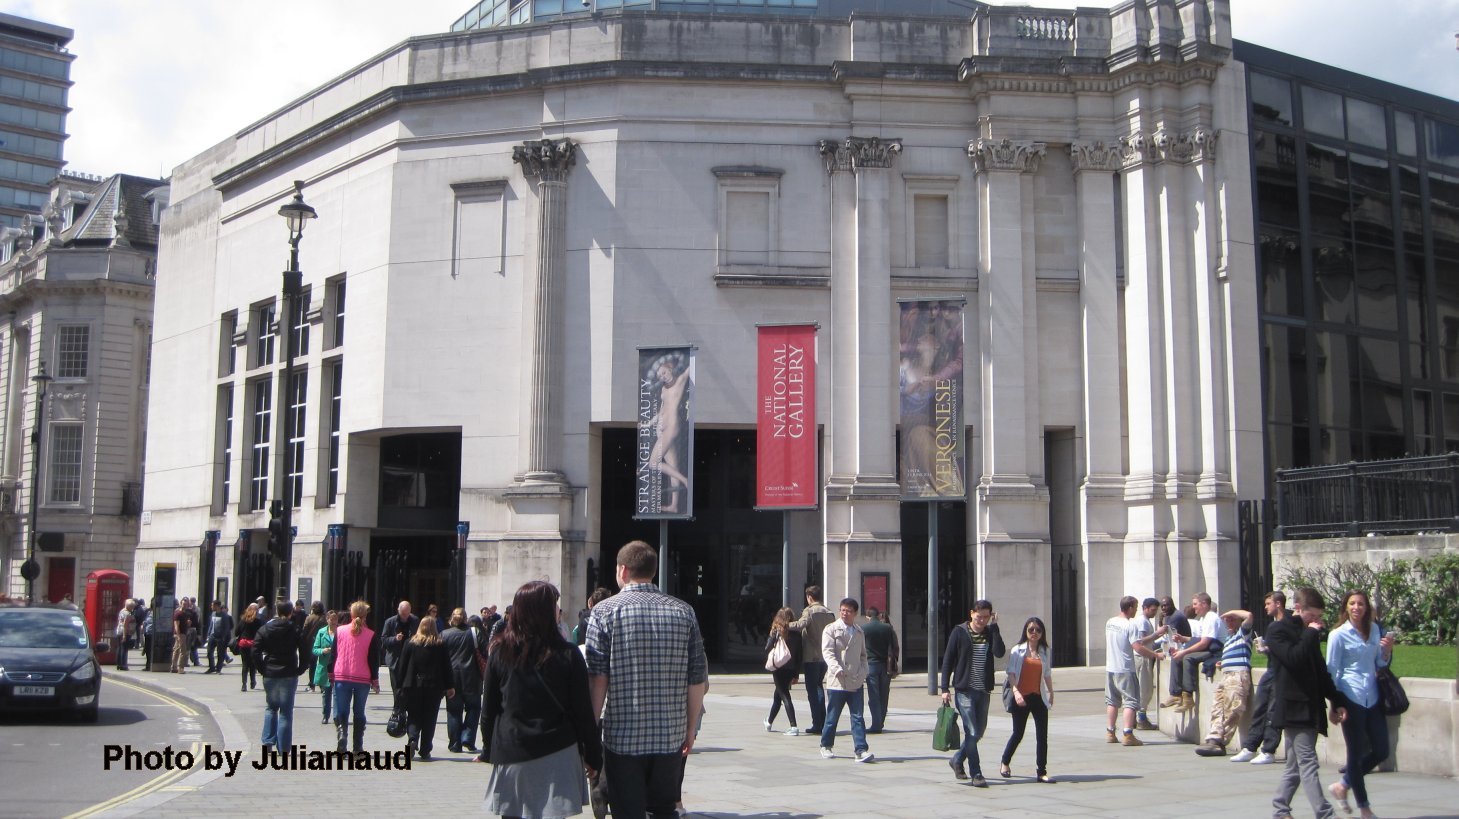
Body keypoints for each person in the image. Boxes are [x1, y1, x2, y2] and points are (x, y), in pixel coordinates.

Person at [586, 540, 708, 819]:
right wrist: (690, 729)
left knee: (627, 812)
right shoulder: (683, 611)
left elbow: (598, 679)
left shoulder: (604, 612)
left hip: (622, 737)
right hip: (670, 736)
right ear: (653, 571)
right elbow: (696, 678)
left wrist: (591, 732)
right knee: (664, 810)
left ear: (622, 570)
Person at [481, 581, 602, 819]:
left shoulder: (500, 653)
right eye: (554, 605)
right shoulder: (568, 655)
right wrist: (593, 755)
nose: (558, 610)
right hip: (558, 750)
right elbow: (582, 712)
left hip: (513, 750)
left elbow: (489, 710)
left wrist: (489, 749)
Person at [1267, 586, 1350, 819]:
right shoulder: (1277, 630)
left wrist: (1336, 700)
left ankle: (1280, 808)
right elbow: (1294, 659)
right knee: (1308, 763)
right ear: (1298, 609)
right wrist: (1311, 633)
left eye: (1319, 617)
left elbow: (1320, 672)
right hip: (1294, 709)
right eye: (1312, 615)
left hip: (1311, 708)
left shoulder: (1307, 633)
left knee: (1294, 766)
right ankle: (1325, 814)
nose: (1317, 621)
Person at [1325, 590, 1394, 819]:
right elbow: (1332, 670)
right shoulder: (1338, 635)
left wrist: (1386, 651)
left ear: (1367, 607)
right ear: (1346, 607)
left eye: (1361, 604)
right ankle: (1364, 807)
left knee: (1381, 749)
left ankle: (1343, 784)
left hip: (1372, 695)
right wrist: (1334, 704)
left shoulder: (1374, 630)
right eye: (1352, 604)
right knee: (1355, 754)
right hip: (1349, 695)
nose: (1357, 608)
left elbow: (1378, 662)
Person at [939, 599, 1005, 785]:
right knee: (972, 730)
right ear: (971, 614)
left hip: (983, 690)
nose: (982, 621)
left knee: (978, 732)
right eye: (979, 617)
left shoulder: (990, 632)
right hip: (964, 690)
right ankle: (976, 773)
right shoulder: (959, 632)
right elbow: (948, 661)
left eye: (986, 617)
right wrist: (944, 688)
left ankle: (957, 760)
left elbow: (999, 652)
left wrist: (995, 627)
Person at [1231, 591, 1289, 765]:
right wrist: (1266, 650)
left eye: (1268, 603)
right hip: (1271, 669)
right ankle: (1250, 747)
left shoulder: (1288, 623)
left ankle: (1269, 749)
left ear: (1278, 604)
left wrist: (1270, 649)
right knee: (1260, 707)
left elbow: (1289, 648)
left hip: (1282, 671)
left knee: (1273, 710)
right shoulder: (1274, 624)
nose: (1265, 607)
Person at [1000, 616, 1054, 783]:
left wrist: (1051, 691)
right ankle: (1005, 762)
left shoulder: (1044, 650)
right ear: (1025, 631)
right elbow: (1011, 673)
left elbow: (1047, 673)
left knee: (1042, 736)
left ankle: (1041, 771)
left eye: (1038, 630)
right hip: (1021, 697)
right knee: (1018, 733)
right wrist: (1016, 692)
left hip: (1038, 697)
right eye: (1031, 629)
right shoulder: (1018, 650)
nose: (1034, 633)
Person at [819, 597, 873, 763]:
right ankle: (826, 745)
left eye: (848, 611)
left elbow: (863, 656)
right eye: (842, 610)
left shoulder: (858, 631)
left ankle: (861, 750)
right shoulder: (831, 629)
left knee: (857, 717)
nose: (844, 613)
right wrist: (836, 668)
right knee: (832, 716)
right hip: (838, 681)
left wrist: (864, 671)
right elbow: (827, 652)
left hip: (855, 680)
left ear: (855, 613)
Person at [1195, 608, 1254, 756]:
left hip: (1238, 674)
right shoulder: (1228, 638)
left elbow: (1249, 616)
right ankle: (1213, 738)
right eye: (1226, 620)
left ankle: (1221, 742)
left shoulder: (1243, 634)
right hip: (1226, 675)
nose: (1228, 622)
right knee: (1218, 708)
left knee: (1232, 708)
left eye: (1232, 619)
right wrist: (1223, 662)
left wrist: (1231, 612)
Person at [251, 600, 307, 754]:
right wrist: (300, 669)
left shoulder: (265, 629)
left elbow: (255, 650)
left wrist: (262, 668)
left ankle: (268, 742)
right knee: (286, 711)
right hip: (289, 672)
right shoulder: (295, 629)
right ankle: (283, 748)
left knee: (271, 708)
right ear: (291, 613)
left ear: (276, 610)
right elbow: (305, 650)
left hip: (270, 671)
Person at [397, 615, 454, 760]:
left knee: (414, 715)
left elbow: (402, 666)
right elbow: (446, 667)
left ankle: (413, 739)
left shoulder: (410, 643)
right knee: (430, 717)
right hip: (433, 687)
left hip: (413, 685)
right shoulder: (440, 644)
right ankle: (425, 748)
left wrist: (399, 685)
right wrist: (450, 686)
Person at [1105, 595, 1159, 747]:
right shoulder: (1131, 625)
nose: (1136, 610)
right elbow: (1138, 647)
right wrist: (1156, 655)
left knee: (1112, 701)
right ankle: (1128, 734)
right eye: (1135, 607)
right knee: (1130, 702)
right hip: (1125, 668)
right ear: (1129, 608)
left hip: (1110, 668)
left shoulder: (1110, 622)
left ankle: (1110, 732)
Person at [332, 600, 381, 754]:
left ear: (351, 614)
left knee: (342, 710)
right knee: (359, 712)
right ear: (365, 615)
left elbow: (334, 654)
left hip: (342, 675)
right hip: (362, 678)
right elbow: (374, 660)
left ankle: (342, 735)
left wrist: (330, 673)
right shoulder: (371, 635)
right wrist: (375, 680)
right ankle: (358, 747)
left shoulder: (340, 631)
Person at [787, 585, 835, 736]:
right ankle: (824, 721)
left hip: (811, 655)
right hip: (825, 657)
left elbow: (800, 625)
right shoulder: (829, 612)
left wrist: (784, 624)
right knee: (819, 687)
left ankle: (818, 723)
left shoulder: (810, 611)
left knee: (813, 690)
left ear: (809, 597)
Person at [1167, 592, 1219, 713]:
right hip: (1209, 647)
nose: (1193, 607)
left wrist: (1184, 651)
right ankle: (1175, 694)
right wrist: (1182, 638)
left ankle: (1188, 697)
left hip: (1216, 651)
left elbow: (1205, 643)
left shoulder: (1211, 618)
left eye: (1195, 604)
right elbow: (1200, 639)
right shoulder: (1204, 618)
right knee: (1177, 657)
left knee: (1187, 658)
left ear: (1204, 604)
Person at [442, 607, 484, 753]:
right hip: (472, 677)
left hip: (451, 678)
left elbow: (441, 658)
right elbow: (485, 652)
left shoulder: (445, 634)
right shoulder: (474, 632)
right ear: (465, 618)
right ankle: (467, 737)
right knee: (474, 708)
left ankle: (455, 743)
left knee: (454, 711)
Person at [763, 606, 802, 735]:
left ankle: (793, 726)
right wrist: (796, 674)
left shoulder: (777, 632)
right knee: (777, 696)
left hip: (779, 668)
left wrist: (772, 636)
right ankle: (768, 722)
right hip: (790, 669)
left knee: (784, 695)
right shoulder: (797, 633)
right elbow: (799, 656)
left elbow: (767, 648)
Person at [1132, 598, 1167, 729]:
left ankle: (1136, 718)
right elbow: (1140, 641)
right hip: (1143, 658)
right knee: (1144, 688)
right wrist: (1156, 634)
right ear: (1145, 608)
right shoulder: (1142, 622)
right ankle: (1141, 718)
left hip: (1145, 656)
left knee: (1144, 688)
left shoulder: (1146, 621)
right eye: (1152, 610)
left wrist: (1157, 636)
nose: (1154, 612)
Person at [861, 607, 895, 734]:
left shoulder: (864, 629)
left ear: (868, 616)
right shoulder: (887, 628)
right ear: (878, 615)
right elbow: (893, 646)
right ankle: (880, 722)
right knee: (884, 694)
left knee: (874, 695)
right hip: (886, 665)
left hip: (871, 664)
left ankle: (876, 724)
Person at [382, 600, 420, 712]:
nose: (405, 616)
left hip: (410, 659)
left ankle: (406, 708)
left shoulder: (415, 621)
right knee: (397, 688)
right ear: (398, 610)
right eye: (403, 613)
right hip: (395, 659)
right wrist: (395, 639)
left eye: (407, 613)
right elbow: (383, 640)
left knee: (409, 686)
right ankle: (397, 709)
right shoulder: (390, 622)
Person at [1157, 595, 1191, 708]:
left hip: (1185, 646)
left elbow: (1164, 633)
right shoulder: (1169, 616)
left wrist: (1162, 622)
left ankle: (1175, 694)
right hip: (1177, 645)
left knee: (1175, 659)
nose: (1163, 608)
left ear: (1172, 604)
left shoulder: (1176, 616)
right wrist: (1161, 620)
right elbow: (1165, 633)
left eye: (1166, 605)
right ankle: (1175, 694)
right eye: (1162, 606)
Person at [312, 610, 339, 724]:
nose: (333, 621)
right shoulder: (321, 632)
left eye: (335, 619)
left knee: (337, 693)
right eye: (331, 619)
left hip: (338, 666)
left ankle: (337, 717)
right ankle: (325, 715)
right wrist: (323, 650)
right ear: (327, 619)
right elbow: (314, 649)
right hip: (325, 666)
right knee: (326, 693)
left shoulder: (340, 631)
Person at [233, 602, 262, 691]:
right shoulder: (257, 621)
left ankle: (244, 684)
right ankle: (252, 681)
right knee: (252, 664)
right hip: (253, 644)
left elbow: (236, 632)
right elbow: (260, 633)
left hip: (244, 644)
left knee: (245, 664)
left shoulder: (243, 620)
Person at [302, 601, 327, 692]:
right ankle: (322, 685)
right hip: (323, 644)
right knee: (322, 664)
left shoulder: (309, 618)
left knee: (312, 665)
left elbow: (304, 631)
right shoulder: (325, 619)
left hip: (312, 644)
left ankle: (312, 684)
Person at [204, 600, 235, 674]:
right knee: (209, 652)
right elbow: (211, 625)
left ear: (217, 606)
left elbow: (227, 627)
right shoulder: (213, 614)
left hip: (220, 637)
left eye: (213, 605)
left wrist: (223, 637)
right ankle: (211, 667)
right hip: (212, 636)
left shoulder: (224, 616)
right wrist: (208, 635)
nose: (211, 607)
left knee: (220, 654)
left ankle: (218, 669)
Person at [171, 597, 196, 673]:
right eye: (184, 603)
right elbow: (176, 625)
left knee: (176, 650)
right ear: (181, 603)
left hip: (182, 633)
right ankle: (181, 668)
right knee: (183, 651)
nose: (185, 605)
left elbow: (185, 624)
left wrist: (188, 623)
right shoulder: (178, 613)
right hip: (180, 634)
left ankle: (174, 667)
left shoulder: (185, 613)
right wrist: (178, 635)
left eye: (186, 603)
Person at [115, 598, 137, 671]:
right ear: (129, 606)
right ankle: (123, 665)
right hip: (125, 632)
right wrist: (124, 635)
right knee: (124, 649)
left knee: (119, 648)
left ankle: (118, 664)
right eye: (132, 607)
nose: (133, 608)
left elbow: (120, 622)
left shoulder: (121, 611)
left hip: (118, 631)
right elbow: (125, 625)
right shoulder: (127, 614)